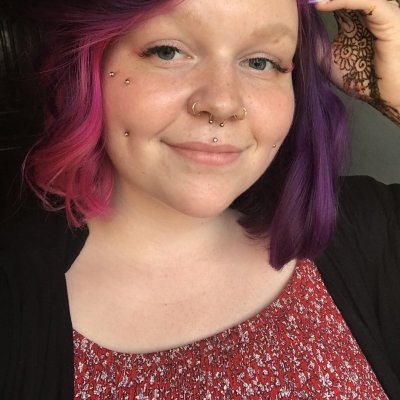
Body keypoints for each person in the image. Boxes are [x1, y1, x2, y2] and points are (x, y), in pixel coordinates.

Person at [1, 0, 400, 398]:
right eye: (167, 52)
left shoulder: (364, 231)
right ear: (85, 65)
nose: (223, 104)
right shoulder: (16, 308)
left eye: (261, 62)